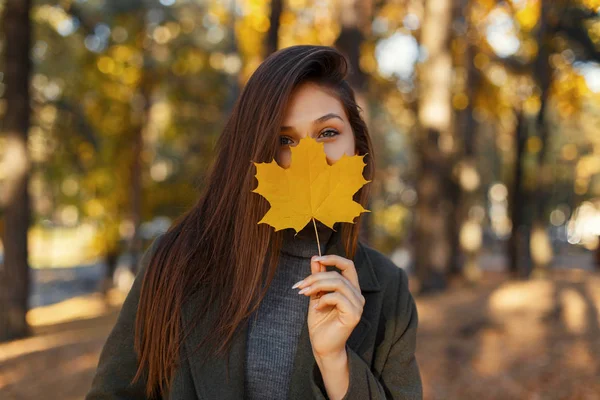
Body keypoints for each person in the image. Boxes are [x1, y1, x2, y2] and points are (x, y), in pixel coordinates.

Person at [86, 45, 422, 400]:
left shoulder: (388, 288)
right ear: (256, 151)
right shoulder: (177, 261)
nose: (311, 156)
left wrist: (335, 363)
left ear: (358, 145)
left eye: (328, 133)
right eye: (284, 140)